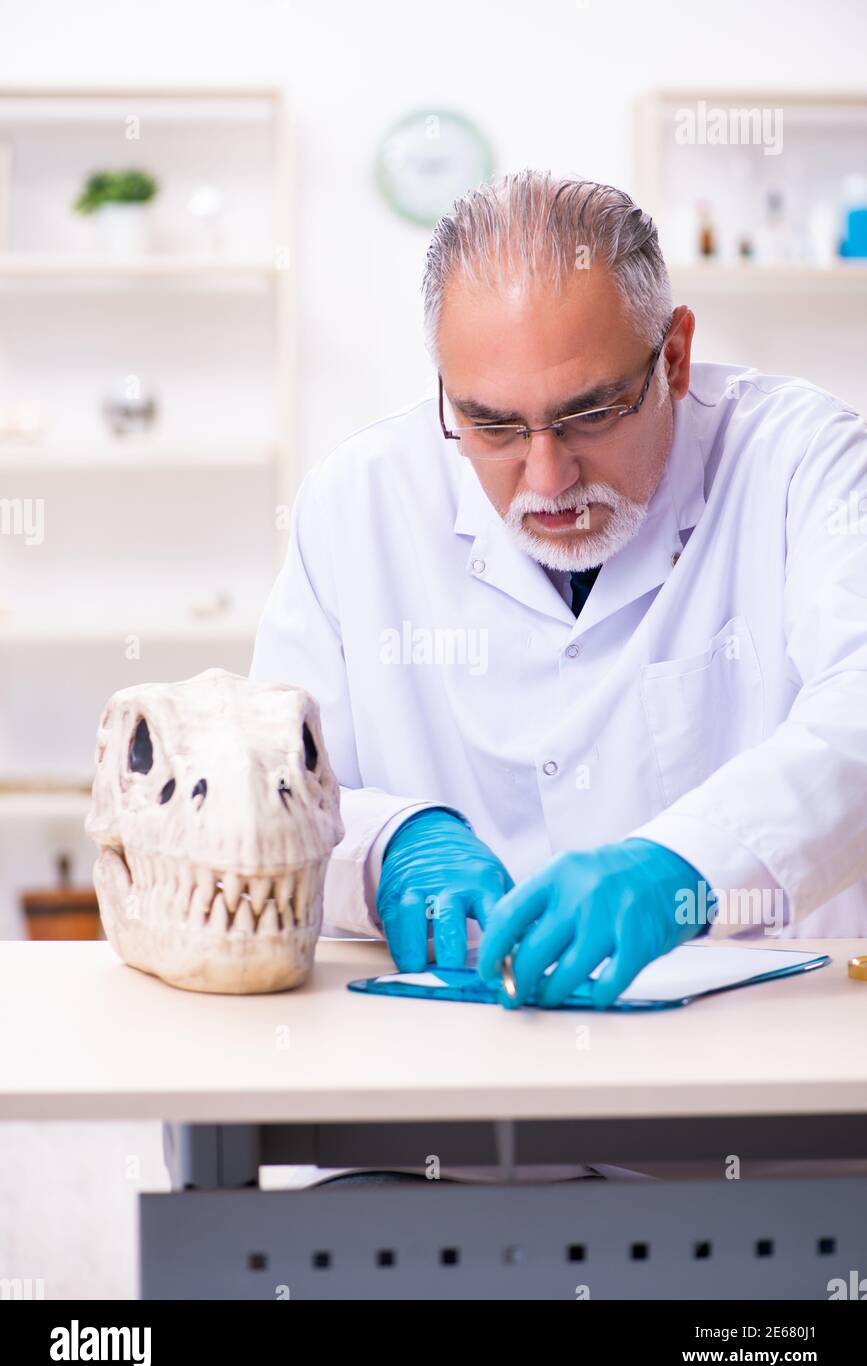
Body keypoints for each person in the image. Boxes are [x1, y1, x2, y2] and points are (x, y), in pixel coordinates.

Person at [251, 169, 867, 1018]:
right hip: (448, 1062)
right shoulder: (358, 500)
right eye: (492, 425)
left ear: (675, 357)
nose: (547, 477)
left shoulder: (802, 461)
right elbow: (273, 784)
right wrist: (390, 847)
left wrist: (685, 865)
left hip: (756, 1057)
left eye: (592, 414)